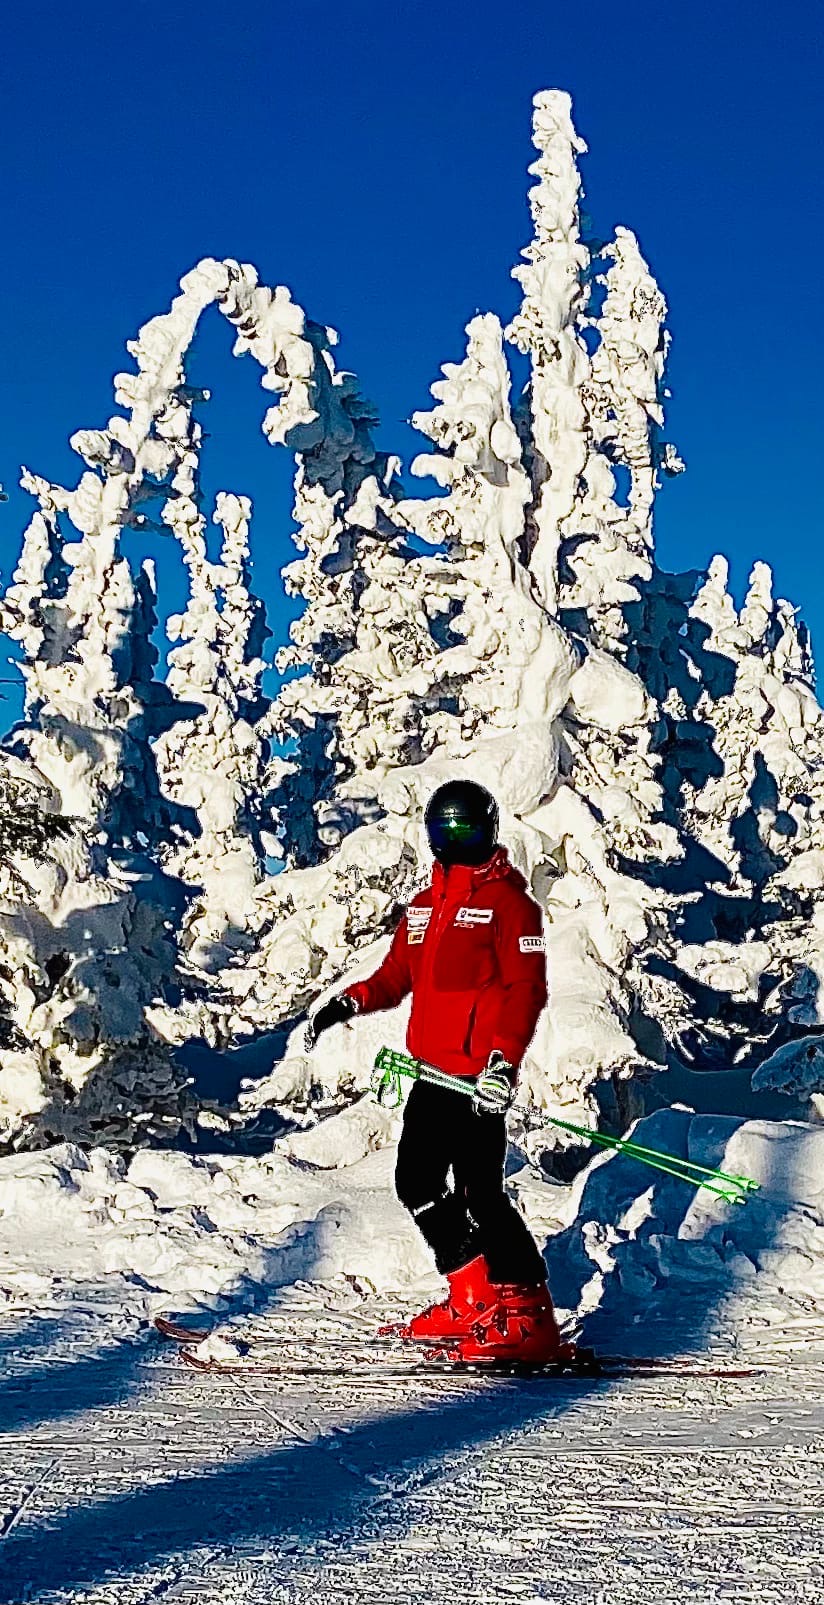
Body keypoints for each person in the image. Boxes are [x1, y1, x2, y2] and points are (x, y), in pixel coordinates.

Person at [305, 778, 567, 1364]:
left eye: (468, 827)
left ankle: (530, 1318)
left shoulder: (511, 906)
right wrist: (349, 1001)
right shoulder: (424, 909)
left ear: (490, 829)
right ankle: (473, 1296)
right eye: (446, 829)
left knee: (481, 1194)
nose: (457, 839)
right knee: (417, 1184)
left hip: (479, 1079)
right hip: (431, 1075)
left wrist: (504, 1061)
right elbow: (396, 976)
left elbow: (526, 990)